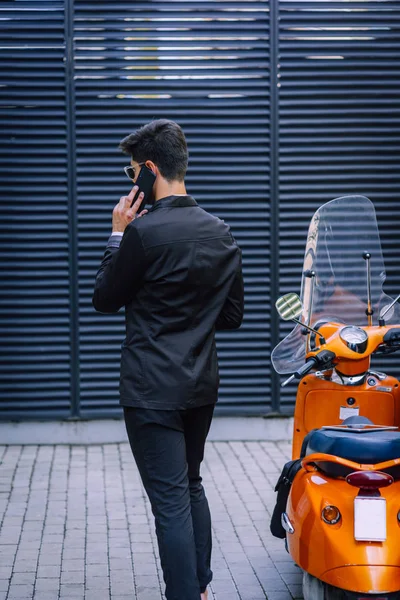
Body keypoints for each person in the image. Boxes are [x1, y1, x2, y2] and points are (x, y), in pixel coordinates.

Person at [92, 119, 244, 600]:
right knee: (191, 485)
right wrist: (192, 316)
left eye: (131, 171)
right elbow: (233, 316)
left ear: (150, 170)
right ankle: (199, 587)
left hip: (151, 389)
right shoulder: (221, 232)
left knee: (171, 502)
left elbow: (104, 297)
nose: (130, 179)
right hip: (201, 383)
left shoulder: (142, 234)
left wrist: (117, 233)